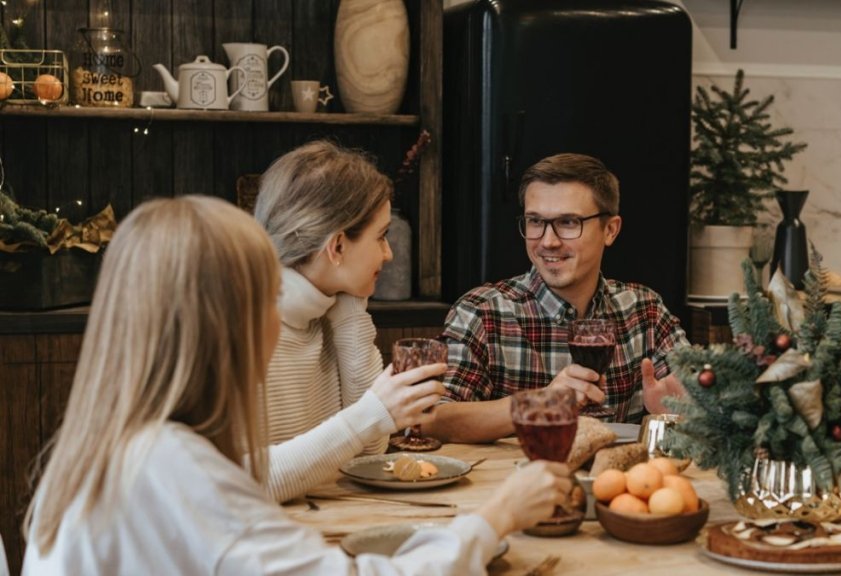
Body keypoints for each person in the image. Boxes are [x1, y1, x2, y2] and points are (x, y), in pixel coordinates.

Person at [22, 196, 571, 575]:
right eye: (267, 296)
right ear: (226, 322)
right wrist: (495, 517)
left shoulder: (121, 446)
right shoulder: (170, 468)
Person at [422, 153, 689, 444]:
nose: (548, 241)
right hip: (516, 486)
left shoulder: (645, 310)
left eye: (568, 222)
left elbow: (698, 403)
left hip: (622, 486)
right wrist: (539, 404)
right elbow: (432, 420)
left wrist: (680, 412)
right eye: (535, 221)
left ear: (610, 230)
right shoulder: (483, 312)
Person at [253, 141, 442, 502]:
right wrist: (375, 412)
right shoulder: (238, 328)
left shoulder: (330, 309)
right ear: (337, 247)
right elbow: (242, 484)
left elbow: (370, 449)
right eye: (382, 236)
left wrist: (352, 309)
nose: (388, 254)